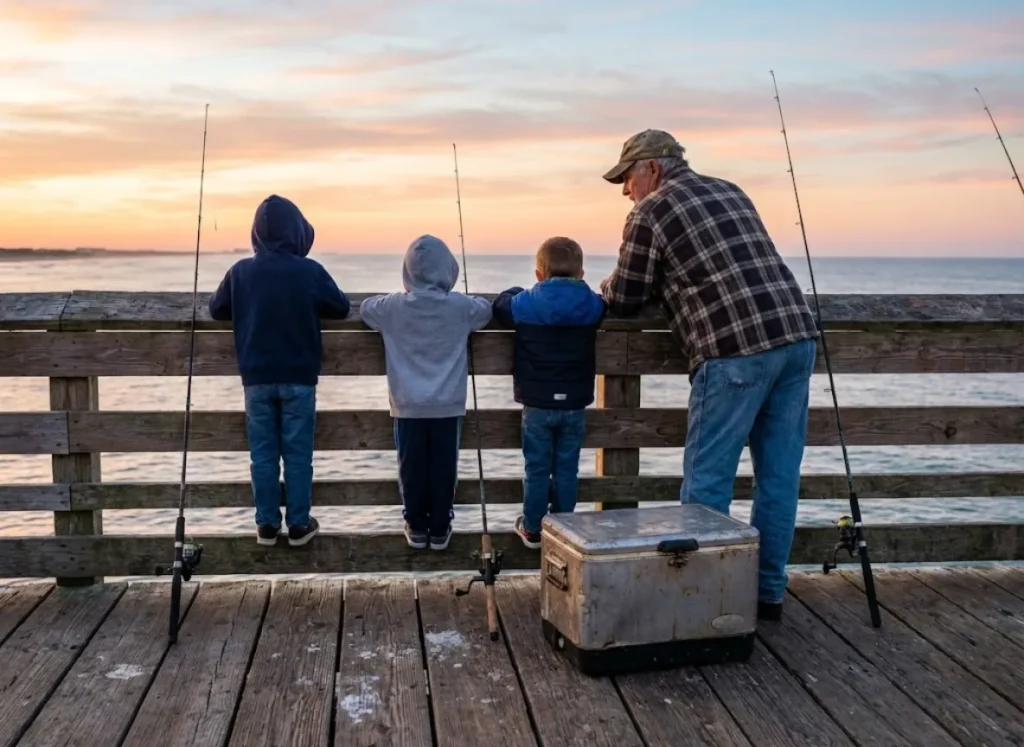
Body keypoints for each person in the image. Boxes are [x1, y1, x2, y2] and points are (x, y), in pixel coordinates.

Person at [598, 129, 820, 620]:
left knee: (707, 484)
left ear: (652, 169)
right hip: (796, 339)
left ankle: (704, 601)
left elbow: (626, 295)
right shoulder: (730, 189)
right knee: (779, 480)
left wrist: (603, 284)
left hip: (734, 350)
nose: (624, 191)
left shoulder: (650, 211)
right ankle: (767, 594)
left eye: (627, 178)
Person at [208, 194, 350, 547]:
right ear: (299, 233)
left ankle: (267, 524)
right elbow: (342, 307)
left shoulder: (240, 271)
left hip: (255, 379)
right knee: (298, 454)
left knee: (263, 455)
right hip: (299, 378)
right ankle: (299, 524)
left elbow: (216, 309)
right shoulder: (309, 271)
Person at [360, 235, 492, 551]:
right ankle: (441, 525)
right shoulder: (460, 307)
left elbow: (366, 308)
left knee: (411, 467)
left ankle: (416, 525)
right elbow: (485, 310)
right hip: (448, 405)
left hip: (407, 406)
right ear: (449, 269)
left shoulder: (392, 307)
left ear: (407, 271)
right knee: (444, 468)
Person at [492, 237, 607, 549]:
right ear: (581, 274)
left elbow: (502, 306)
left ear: (539, 275)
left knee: (537, 468)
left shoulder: (526, 302)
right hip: (574, 403)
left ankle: (532, 528)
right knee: (567, 468)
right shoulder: (592, 304)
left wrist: (514, 290)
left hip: (537, 404)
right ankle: (564, 530)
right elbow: (606, 304)